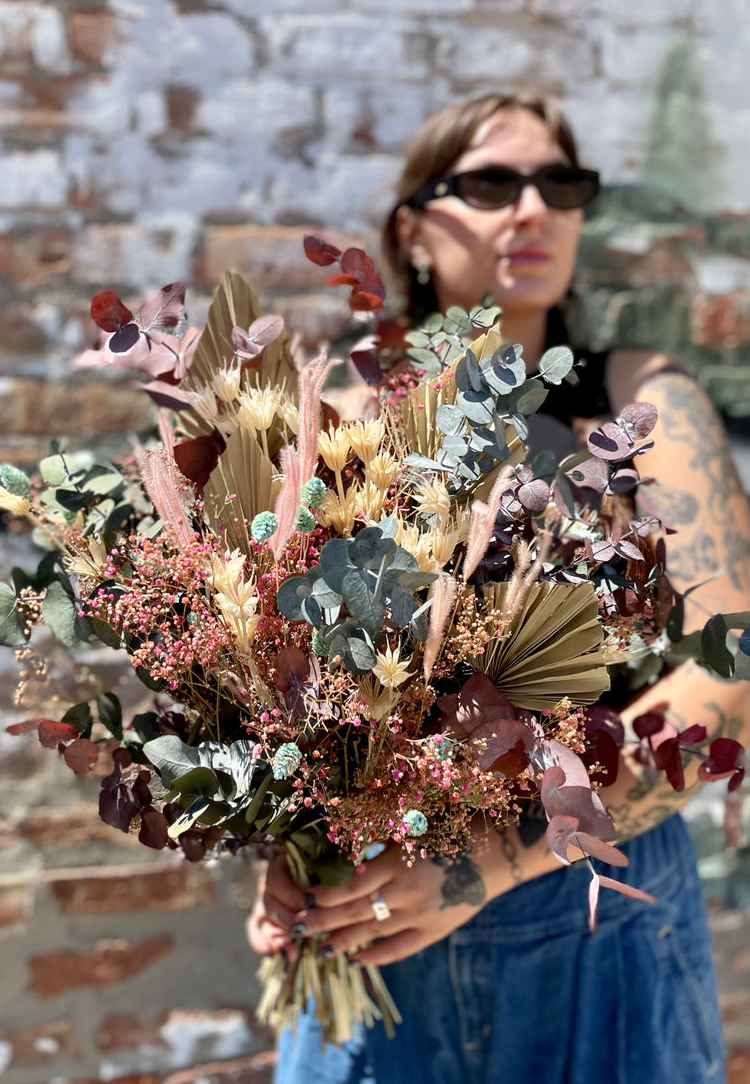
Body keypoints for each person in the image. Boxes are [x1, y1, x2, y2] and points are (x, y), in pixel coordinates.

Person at [246, 94, 750, 1084]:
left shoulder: (638, 407)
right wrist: (290, 851)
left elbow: (724, 683)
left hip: (597, 928)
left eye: (559, 185)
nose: (532, 211)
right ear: (411, 229)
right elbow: (276, 688)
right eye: (488, 185)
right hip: (373, 935)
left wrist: (485, 863)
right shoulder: (335, 425)